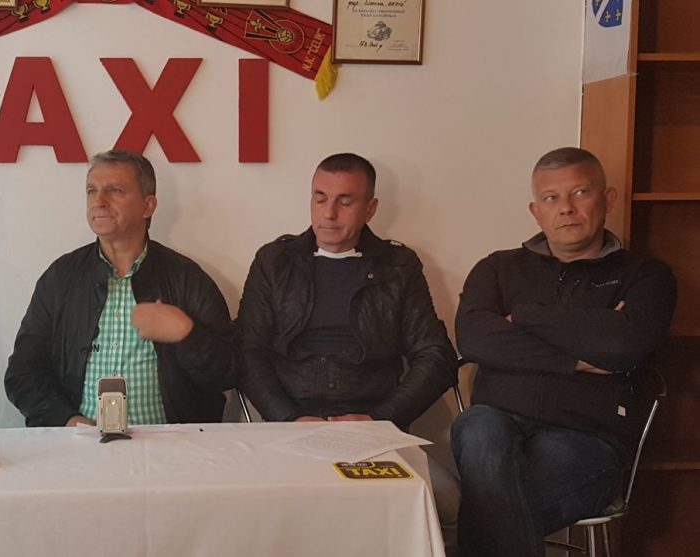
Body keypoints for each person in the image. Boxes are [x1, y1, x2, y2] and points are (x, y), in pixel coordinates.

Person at [451, 147, 677, 557]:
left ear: (607, 199)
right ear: (536, 211)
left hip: (587, 438)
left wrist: (523, 315)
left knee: (486, 512)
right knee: (478, 426)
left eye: (580, 193)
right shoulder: (497, 268)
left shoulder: (646, 275)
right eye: (552, 198)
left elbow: (622, 346)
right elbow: (474, 340)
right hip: (497, 421)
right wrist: (578, 358)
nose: (567, 208)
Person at [5, 150, 234, 427]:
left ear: (148, 206)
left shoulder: (186, 278)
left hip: (170, 442)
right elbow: (22, 373)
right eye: (91, 191)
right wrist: (67, 420)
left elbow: (228, 374)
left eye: (114, 191)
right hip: (79, 442)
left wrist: (187, 334)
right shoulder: (60, 278)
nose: (98, 201)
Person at [236, 152, 456, 427]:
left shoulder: (398, 266)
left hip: (372, 420)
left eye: (345, 201)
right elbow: (248, 349)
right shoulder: (274, 261)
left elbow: (435, 355)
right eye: (320, 199)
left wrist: (380, 419)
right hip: (289, 420)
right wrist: (288, 417)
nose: (329, 213)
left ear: (370, 209)